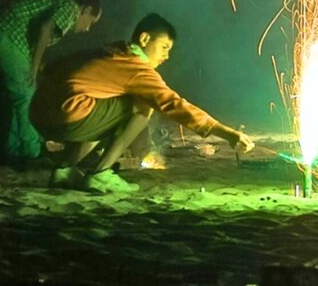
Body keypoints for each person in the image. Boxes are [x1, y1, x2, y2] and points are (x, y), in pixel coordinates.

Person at [30, 13, 254, 193]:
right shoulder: (135, 67)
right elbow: (173, 103)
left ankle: (65, 169)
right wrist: (227, 133)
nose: (167, 56)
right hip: (66, 116)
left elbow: (56, 66)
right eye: (164, 47)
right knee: (142, 106)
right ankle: (100, 174)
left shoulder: (110, 51)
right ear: (145, 39)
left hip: (39, 114)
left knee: (105, 105)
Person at [0, 0, 102, 165]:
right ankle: (31, 152)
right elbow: (46, 28)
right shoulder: (70, 7)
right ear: (86, 10)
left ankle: (9, 151)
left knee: (9, 97)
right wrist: (33, 66)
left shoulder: (56, 2)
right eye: (91, 22)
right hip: (9, 34)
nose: (87, 29)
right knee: (27, 95)